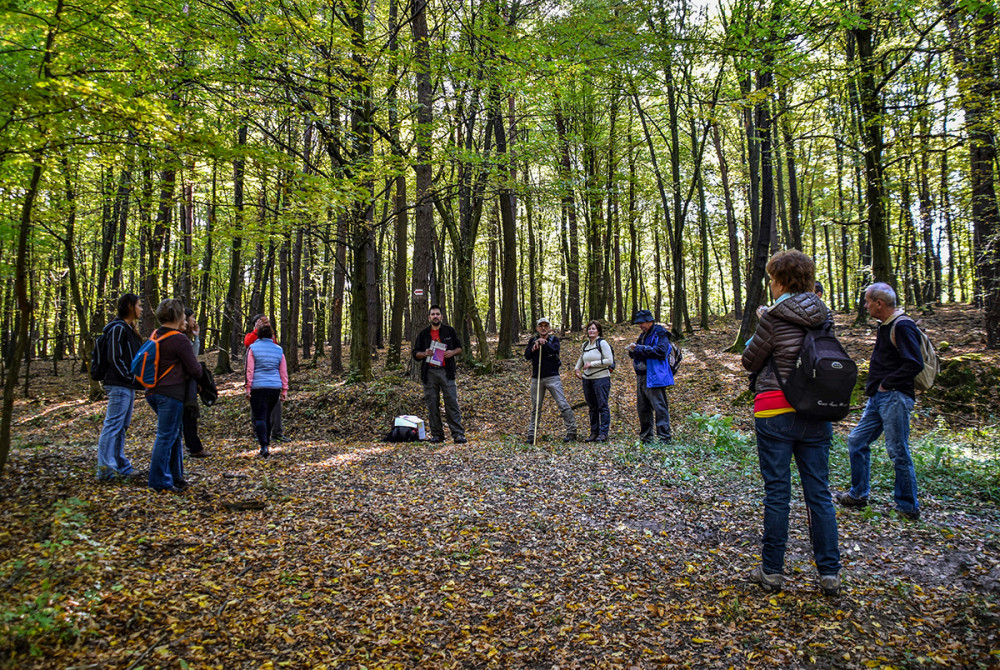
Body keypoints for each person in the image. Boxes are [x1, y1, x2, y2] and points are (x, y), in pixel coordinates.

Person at [741, 250, 841, 596]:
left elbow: (749, 361)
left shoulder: (774, 315)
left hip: (775, 408)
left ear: (781, 281)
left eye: (771, 279)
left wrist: (761, 325)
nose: (770, 284)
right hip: (816, 409)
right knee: (819, 494)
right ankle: (830, 573)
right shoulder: (824, 314)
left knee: (778, 492)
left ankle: (772, 571)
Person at [835, 282, 923, 520]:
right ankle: (858, 494)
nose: (865, 306)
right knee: (856, 439)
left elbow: (914, 363)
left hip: (894, 396)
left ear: (879, 303)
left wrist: (888, 383)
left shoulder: (902, 326)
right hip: (879, 397)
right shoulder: (886, 325)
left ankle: (907, 507)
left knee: (898, 451)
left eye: (867, 301)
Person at [146, 299, 203, 492]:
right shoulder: (178, 339)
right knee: (166, 436)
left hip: (153, 392)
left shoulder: (156, 334)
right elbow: (195, 368)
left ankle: (176, 476)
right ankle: (158, 481)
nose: (187, 320)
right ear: (178, 316)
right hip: (170, 393)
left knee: (174, 435)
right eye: (184, 316)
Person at [96, 293, 144, 481]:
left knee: (121, 426)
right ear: (130, 307)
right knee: (113, 425)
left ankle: (120, 464)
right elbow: (114, 358)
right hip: (118, 384)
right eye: (139, 305)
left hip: (126, 384)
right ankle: (106, 469)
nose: (141, 309)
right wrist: (129, 377)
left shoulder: (128, 329)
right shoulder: (117, 328)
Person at [412, 305, 467, 444]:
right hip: (429, 372)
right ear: (429, 317)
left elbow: (460, 348)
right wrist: (424, 354)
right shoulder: (424, 334)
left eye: (437, 314)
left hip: (446, 372)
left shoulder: (449, 331)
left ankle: (458, 434)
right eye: (433, 314)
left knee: (452, 403)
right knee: (432, 404)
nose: (435, 316)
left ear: (442, 316)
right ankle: (437, 434)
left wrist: (452, 352)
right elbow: (415, 354)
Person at [524, 317, 577, 443]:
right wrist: (534, 347)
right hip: (537, 378)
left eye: (545, 326)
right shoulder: (532, 340)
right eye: (540, 326)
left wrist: (545, 343)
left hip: (552, 377)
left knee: (562, 404)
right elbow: (527, 356)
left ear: (549, 328)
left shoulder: (554, 340)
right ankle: (532, 434)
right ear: (537, 328)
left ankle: (572, 431)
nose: (543, 328)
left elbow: (555, 351)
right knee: (536, 407)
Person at [626, 310, 673, 443]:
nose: (640, 325)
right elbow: (639, 351)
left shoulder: (659, 332)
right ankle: (646, 438)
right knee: (643, 408)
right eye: (639, 323)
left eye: (642, 322)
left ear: (650, 320)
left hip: (655, 376)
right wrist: (633, 351)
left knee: (659, 406)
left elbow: (661, 351)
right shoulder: (643, 335)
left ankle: (664, 438)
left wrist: (639, 349)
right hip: (641, 377)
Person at [245, 324, 288, 457]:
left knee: (260, 417)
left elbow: (249, 370)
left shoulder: (253, 349)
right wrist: (284, 390)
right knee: (268, 416)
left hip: (258, 387)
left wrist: (248, 388)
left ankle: (263, 445)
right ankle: (267, 443)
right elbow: (283, 372)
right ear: (272, 335)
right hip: (274, 387)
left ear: (258, 335)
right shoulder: (279, 350)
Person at [574, 320, 614, 442]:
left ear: (598, 331)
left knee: (602, 406)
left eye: (593, 329)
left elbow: (609, 361)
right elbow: (582, 357)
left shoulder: (602, 343)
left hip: (601, 378)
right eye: (589, 329)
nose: (591, 331)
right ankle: (594, 432)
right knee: (592, 407)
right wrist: (577, 368)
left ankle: (603, 433)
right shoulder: (585, 345)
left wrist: (592, 364)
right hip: (587, 379)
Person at [182, 308, 207, 458]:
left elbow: (194, 355)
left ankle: (192, 445)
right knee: (189, 413)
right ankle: (193, 446)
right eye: (192, 318)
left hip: (189, 382)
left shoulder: (187, 338)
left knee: (190, 413)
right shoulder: (180, 338)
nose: (195, 321)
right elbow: (191, 360)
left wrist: (196, 337)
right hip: (183, 383)